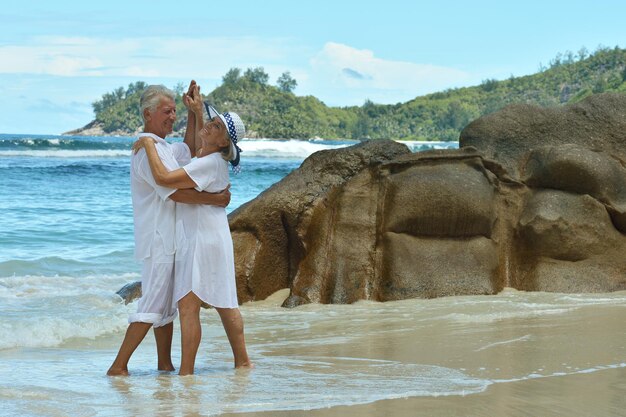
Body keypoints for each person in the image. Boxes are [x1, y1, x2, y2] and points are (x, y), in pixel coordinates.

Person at [107, 83, 231, 376]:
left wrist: (192, 113)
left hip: (170, 238)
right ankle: (118, 366)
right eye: (167, 111)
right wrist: (215, 199)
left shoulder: (162, 147)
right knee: (153, 301)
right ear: (148, 113)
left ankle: (164, 365)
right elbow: (172, 191)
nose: (172, 116)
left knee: (164, 308)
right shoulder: (146, 149)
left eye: (175, 110)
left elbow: (188, 149)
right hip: (159, 238)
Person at [133, 84, 252, 375]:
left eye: (215, 126)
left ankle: (187, 372)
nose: (208, 126)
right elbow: (191, 148)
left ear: (224, 142)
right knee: (225, 302)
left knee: (189, 307)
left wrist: (146, 142)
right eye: (211, 122)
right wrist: (195, 111)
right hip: (210, 237)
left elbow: (165, 179)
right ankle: (242, 362)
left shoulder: (206, 162)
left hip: (201, 240)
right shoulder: (209, 160)